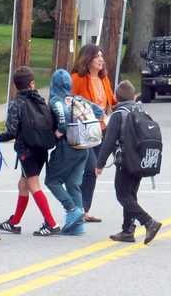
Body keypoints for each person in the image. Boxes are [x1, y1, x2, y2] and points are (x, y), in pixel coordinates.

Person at [95, 80, 162, 245]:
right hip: (140, 159)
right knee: (130, 195)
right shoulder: (140, 110)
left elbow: (109, 141)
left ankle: (148, 222)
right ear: (134, 96)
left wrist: (100, 164)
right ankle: (127, 230)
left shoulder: (119, 114)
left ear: (116, 98)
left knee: (122, 195)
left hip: (125, 161)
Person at [0, 67, 60, 236]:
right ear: (32, 83)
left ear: (16, 86)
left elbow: (11, 132)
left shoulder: (16, 103)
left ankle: (51, 224)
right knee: (23, 184)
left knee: (32, 184)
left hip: (27, 150)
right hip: (42, 148)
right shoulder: (41, 100)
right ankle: (14, 222)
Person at [46, 69, 104, 236]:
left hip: (67, 147)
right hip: (83, 147)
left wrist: (60, 131)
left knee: (53, 181)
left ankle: (72, 210)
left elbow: (62, 118)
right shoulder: (77, 98)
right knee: (73, 184)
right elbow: (99, 112)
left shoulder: (56, 100)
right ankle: (77, 227)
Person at [72, 44, 116, 224]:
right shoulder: (78, 78)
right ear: (87, 59)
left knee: (93, 171)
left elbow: (112, 102)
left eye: (101, 56)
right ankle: (77, 208)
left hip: (101, 131)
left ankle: (84, 210)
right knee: (89, 168)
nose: (101, 59)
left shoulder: (103, 79)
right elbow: (70, 101)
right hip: (83, 132)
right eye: (97, 56)